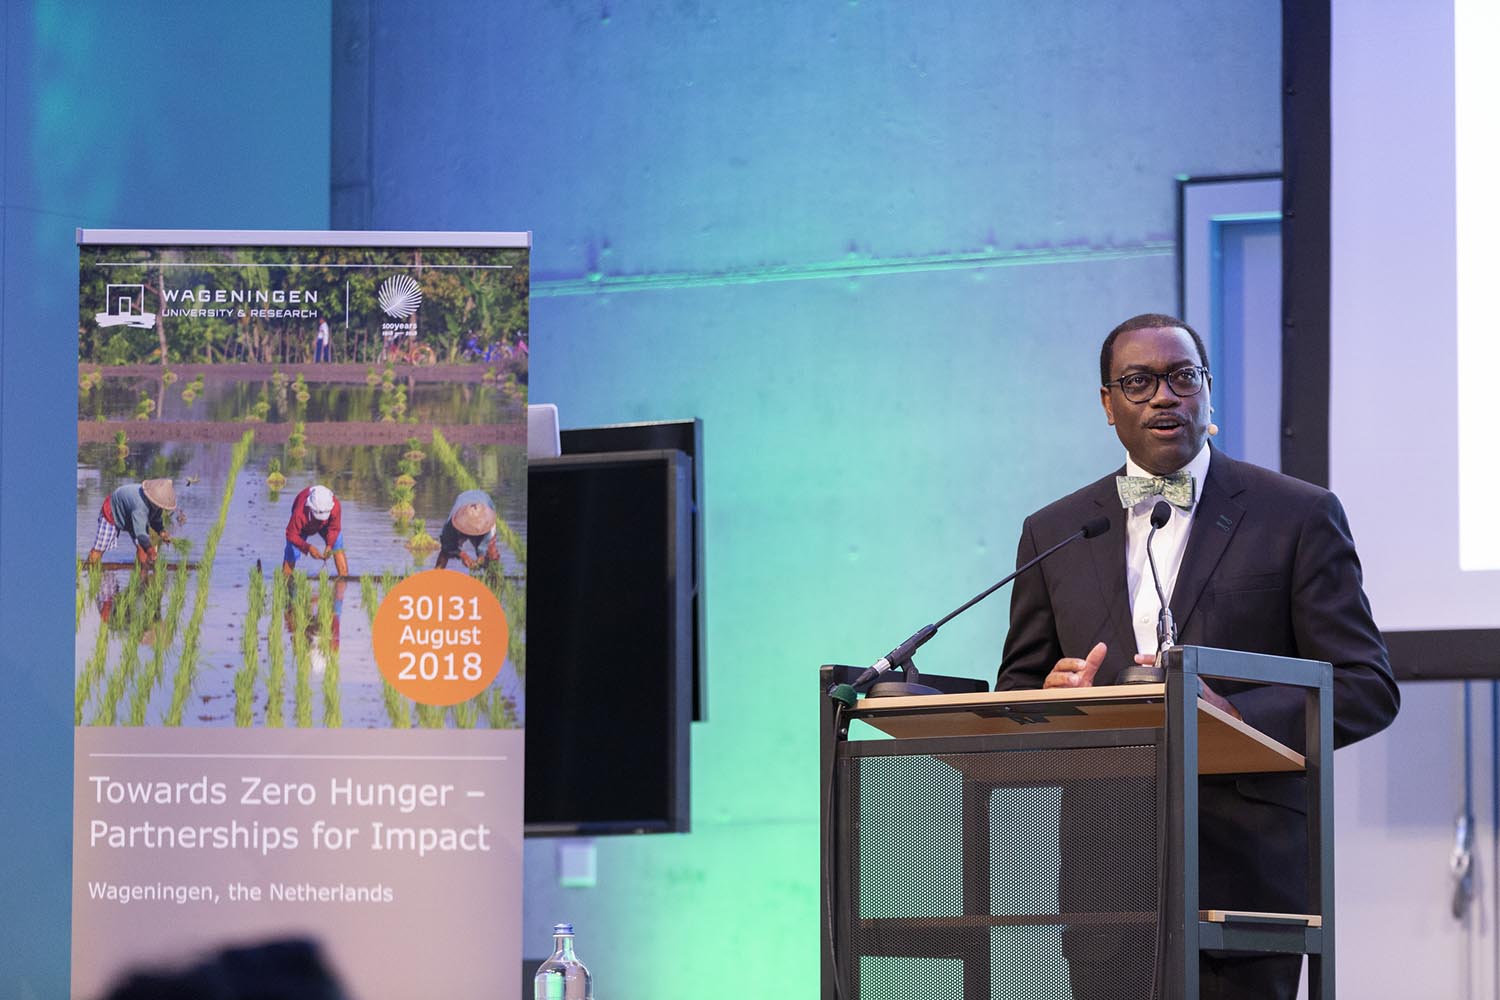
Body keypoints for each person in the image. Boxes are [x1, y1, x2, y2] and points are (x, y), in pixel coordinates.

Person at [995, 313, 1400, 999]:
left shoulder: (1296, 515)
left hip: (1246, 879)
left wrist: (1232, 715)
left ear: (1208, 392)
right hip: (1105, 879)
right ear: (1107, 403)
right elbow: (1018, 686)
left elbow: (1365, 686)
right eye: (1139, 381)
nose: (1164, 396)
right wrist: (1052, 693)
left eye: (1183, 377)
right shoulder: (1056, 530)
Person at [85, 479, 176, 567]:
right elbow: (141, 535)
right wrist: (150, 549)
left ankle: (142, 575)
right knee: (100, 548)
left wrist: (162, 532)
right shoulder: (140, 505)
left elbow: (155, 521)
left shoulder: (156, 504)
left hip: (132, 515)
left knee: (143, 548)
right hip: (113, 510)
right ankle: (90, 570)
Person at [283, 484, 347, 578]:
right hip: (304, 527)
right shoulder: (300, 512)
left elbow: (334, 529)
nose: (320, 519)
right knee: (292, 550)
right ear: (310, 507)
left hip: (326, 525)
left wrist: (329, 545)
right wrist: (308, 548)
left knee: (337, 543)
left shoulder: (335, 507)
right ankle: (285, 580)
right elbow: (291, 534)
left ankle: (343, 579)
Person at [434, 490, 501, 570]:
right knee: (445, 551)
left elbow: (484, 549)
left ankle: (492, 580)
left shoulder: (488, 525)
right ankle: (435, 577)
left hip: (484, 505)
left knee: (490, 555)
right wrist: (462, 555)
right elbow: (447, 545)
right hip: (463, 503)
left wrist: (479, 561)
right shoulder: (451, 524)